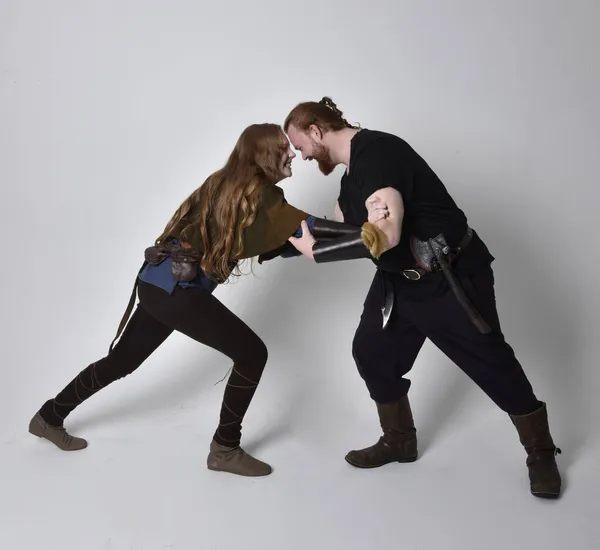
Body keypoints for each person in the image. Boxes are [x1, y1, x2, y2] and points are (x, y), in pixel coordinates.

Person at [28, 122, 383, 477]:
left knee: (123, 360)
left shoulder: (224, 182)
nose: (291, 153)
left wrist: (347, 233)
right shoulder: (261, 196)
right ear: (263, 156)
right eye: (282, 148)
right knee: (252, 353)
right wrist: (372, 234)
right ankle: (225, 449)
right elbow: (307, 230)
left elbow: (286, 240)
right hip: (178, 291)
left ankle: (48, 417)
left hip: (154, 282)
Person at [276, 97, 562, 498]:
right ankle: (399, 441)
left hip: (449, 279)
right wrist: (270, 241)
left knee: (492, 364)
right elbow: (333, 225)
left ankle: (542, 452)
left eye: (300, 145)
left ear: (316, 132)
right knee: (372, 353)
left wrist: (314, 252)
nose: (301, 155)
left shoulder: (380, 153)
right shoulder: (351, 175)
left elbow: (387, 235)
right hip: (399, 283)